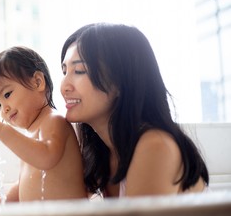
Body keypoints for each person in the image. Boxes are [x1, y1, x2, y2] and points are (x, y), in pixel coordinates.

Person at [60, 23, 209, 198]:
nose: (64, 87)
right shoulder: (99, 154)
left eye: (79, 71)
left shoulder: (156, 146)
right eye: (64, 71)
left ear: (121, 81)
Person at [0, 46, 87, 202]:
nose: (4, 109)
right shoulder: (30, 135)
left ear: (37, 82)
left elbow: (47, 157)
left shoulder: (54, 120)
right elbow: (26, 181)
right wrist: (5, 199)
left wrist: (2, 132)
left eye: (7, 94)